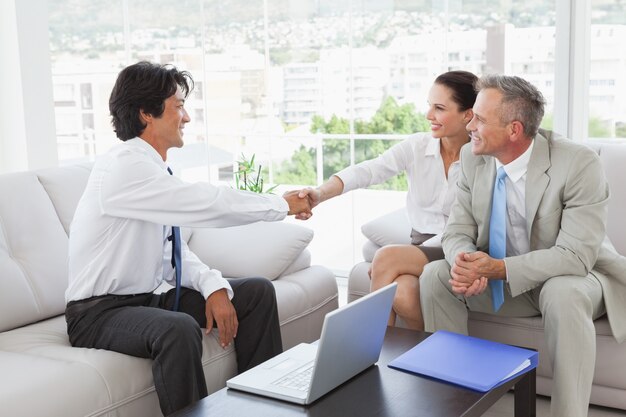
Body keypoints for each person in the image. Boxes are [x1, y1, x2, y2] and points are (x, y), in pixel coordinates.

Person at [64, 61, 310, 416]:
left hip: (146, 299)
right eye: (178, 106)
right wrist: (279, 205)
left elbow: (173, 252)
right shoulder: (124, 167)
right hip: (97, 313)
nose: (187, 117)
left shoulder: (154, 169)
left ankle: (264, 408)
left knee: (255, 293)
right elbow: (207, 202)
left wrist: (213, 286)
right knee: (177, 330)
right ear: (147, 113)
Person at [419, 74, 626, 417]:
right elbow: (456, 230)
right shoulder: (472, 158)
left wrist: (497, 268)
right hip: (504, 278)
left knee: (563, 292)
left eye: (480, 119)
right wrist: (464, 261)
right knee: (435, 277)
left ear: (514, 130)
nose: (469, 124)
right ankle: (455, 407)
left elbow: (575, 257)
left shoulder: (578, 163)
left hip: (576, 277)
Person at [296, 70, 478, 330]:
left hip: (458, 248)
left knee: (385, 258)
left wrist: (397, 259)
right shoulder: (417, 146)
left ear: (468, 114)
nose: (429, 115)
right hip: (421, 244)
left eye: (439, 108)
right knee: (402, 294)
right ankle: (429, 357)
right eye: (429, 106)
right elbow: (369, 170)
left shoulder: (482, 157)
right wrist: (319, 194)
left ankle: (368, 353)